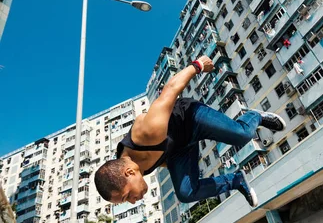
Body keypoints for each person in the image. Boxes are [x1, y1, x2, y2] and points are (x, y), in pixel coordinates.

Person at [94, 55, 286, 209]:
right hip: (179, 148)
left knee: (242, 135)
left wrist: (198, 65)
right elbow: (160, 160)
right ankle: (235, 180)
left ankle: (255, 117)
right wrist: (185, 169)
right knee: (186, 193)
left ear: (129, 172)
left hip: (192, 119)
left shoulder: (147, 132)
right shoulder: (128, 166)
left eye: (128, 196)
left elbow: (170, 90)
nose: (134, 201)